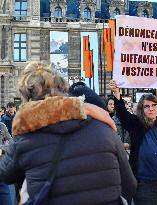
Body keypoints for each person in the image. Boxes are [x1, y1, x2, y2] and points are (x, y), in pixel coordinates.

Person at [0, 62, 137, 205]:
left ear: (27, 96)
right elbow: (129, 185)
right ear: (63, 88)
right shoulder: (103, 126)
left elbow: (5, 174)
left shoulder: (26, 138)